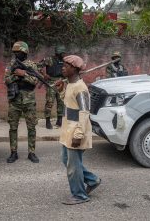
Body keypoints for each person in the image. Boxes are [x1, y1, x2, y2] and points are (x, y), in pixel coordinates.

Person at [55, 55, 101, 205]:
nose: (62, 68)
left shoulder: (81, 88)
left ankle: (80, 195)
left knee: (73, 167)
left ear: (74, 69)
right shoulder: (70, 85)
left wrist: (79, 134)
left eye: (66, 66)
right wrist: (62, 91)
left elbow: (84, 112)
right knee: (65, 160)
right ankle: (92, 180)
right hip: (68, 130)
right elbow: (69, 105)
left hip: (76, 131)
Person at [4, 41, 40, 163]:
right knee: (13, 127)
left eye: (18, 52)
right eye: (15, 52)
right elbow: (7, 80)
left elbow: (35, 81)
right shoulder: (11, 65)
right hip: (15, 100)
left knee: (31, 127)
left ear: (25, 52)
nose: (16, 54)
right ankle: (13, 152)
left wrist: (23, 74)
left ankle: (32, 152)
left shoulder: (31, 65)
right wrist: (15, 75)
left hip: (29, 100)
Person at [37, 45, 66, 129]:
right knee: (50, 102)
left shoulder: (64, 60)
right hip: (51, 83)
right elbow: (38, 66)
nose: (64, 54)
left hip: (61, 82)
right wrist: (44, 74)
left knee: (61, 102)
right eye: (62, 53)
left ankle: (59, 120)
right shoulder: (49, 59)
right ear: (58, 53)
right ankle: (48, 121)